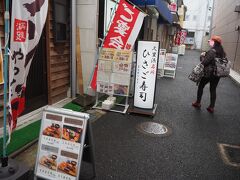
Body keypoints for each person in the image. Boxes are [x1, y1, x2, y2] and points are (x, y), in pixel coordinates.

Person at [192, 35, 226, 113]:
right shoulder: (222, 52)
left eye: (211, 41)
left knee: (201, 86)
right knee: (213, 89)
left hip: (208, 73)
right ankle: (211, 107)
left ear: (214, 42)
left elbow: (205, 62)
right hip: (217, 73)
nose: (210, 42)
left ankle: (198, 102)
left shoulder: (212, 51)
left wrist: (202, 56)